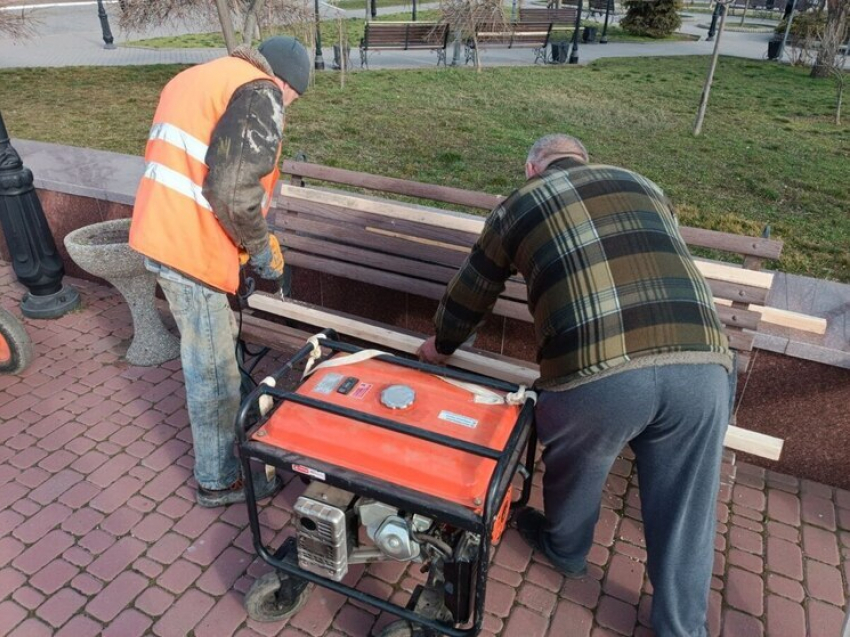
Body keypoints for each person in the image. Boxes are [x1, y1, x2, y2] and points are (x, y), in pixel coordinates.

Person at [418, 134, 735, 637]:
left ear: (531, 168)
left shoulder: (521, 203)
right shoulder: (643, 184)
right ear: (584, 160)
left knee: (576, 463)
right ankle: (682, 628)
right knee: (686, 505)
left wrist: (441, 345)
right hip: (703, 365)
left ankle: (566, 548)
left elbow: (474, 289)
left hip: (596, 373)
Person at [129, 37, 311, 508]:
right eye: (292, 100)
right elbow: (233, 191)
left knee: (214, 348)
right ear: (286, 82)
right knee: (212, 372)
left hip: (162, 230)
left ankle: (230, 441)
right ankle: (218, 478)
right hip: (192, 247)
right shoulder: (259, 90)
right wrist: (262, 251)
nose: (286, 108)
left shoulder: (198, 76)